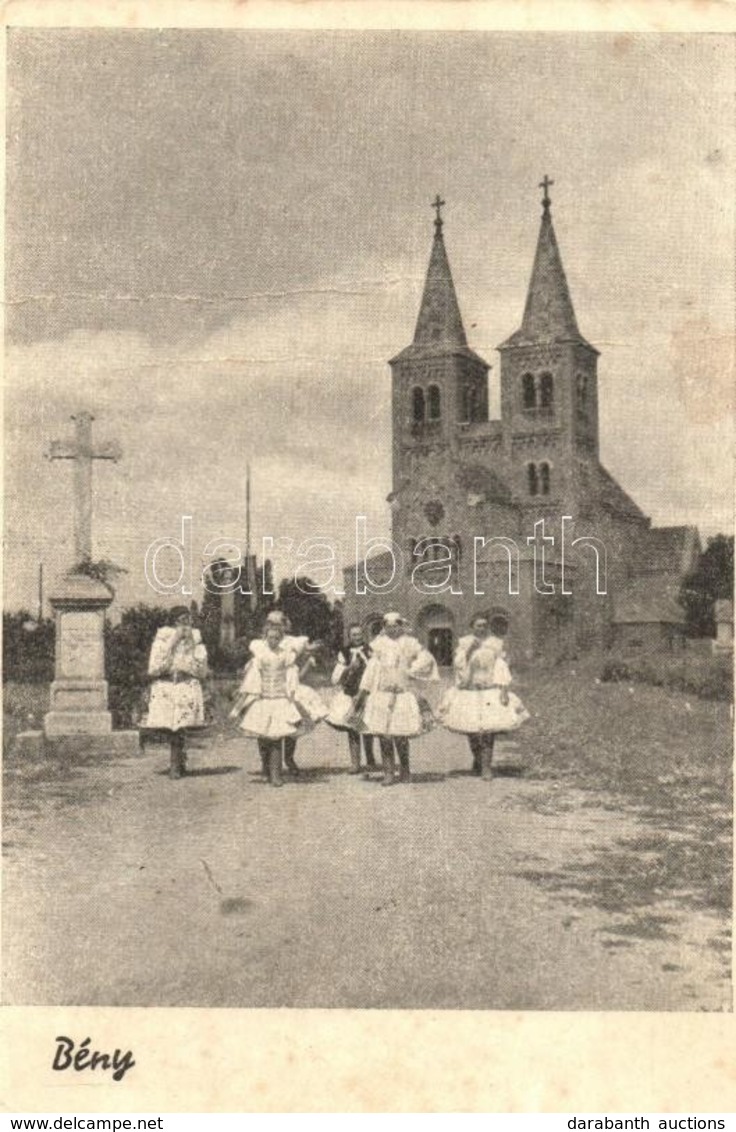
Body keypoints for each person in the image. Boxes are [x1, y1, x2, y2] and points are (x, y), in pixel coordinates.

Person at [230, 614, 326, 786]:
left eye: (276, 638)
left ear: (280, 638)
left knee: (277, 736)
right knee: (263, 734)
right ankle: (265, 765)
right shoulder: (260, 655)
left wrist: (291, 695)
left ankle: (276, 774)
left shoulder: (285, 655)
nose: (273, 640)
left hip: (280, 699)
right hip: (263, 699)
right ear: (265, 637)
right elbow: (253, 678)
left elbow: (291, 676)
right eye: (270, 637)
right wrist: (242, 699)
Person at [439, 613, 529, 781]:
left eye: (484, 625)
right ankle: (478, 759)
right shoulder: (465, 643)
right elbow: (459, 666)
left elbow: (501, 667)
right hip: (470, 690)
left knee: (488, 731)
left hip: (489, 689)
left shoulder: (495, 643)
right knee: (472, 730)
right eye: (478, 625)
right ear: (472, 627)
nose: (481, 628)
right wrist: (470, 650)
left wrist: (503, 690)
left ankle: (486, 767)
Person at [355, 612, 438, 786]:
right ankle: (388, 772)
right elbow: (371, 671)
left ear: (401, 626)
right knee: (384, 736)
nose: (392, 629)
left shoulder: (409, 643)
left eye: (395, 626)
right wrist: (363, 693)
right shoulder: (379, 645)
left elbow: (426, 658)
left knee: (401, 736)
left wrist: (412, 670)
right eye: (388, 626)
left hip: (402, 695)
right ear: (384, 627)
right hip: (383, 694)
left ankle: (405, 770)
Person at [144, 606, 209, 780]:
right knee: (168, 726)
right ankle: (178, 757)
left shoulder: (195, 641)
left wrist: (193, 647)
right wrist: (172, 643)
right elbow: (154, 668)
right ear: (173, 623)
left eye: (188, 620)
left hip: (185, 684)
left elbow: (202, 670)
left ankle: (175, 763)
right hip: (166, 686)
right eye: (181, 621)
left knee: (179, 726)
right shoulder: (162, 641)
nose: (185, 625)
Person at [325, 623, 376, 774]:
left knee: (368, 726)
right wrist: (349, 668)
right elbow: (336, 678)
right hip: (351, 693)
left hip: (368, 693)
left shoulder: (371, 650)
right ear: (349, 636)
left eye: (359, 634)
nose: (357, 637)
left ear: (364, 635)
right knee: (353, 727)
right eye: (354, 634)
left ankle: (370, 755)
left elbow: (375, 670)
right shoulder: (344, 652)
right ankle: (355, 763)